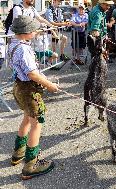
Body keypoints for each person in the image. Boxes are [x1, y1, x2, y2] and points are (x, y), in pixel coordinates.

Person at [9, 15, 59, 180]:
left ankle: (18, 153)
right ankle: (31, 164)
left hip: (19, 87)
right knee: (36, 124)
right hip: (29, 90)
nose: (36, 31)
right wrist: (49, 85)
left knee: (26, 118)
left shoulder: (15, 44)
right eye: (34, 29)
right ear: (26, 32)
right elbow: (32, 74)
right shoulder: (23, 49)